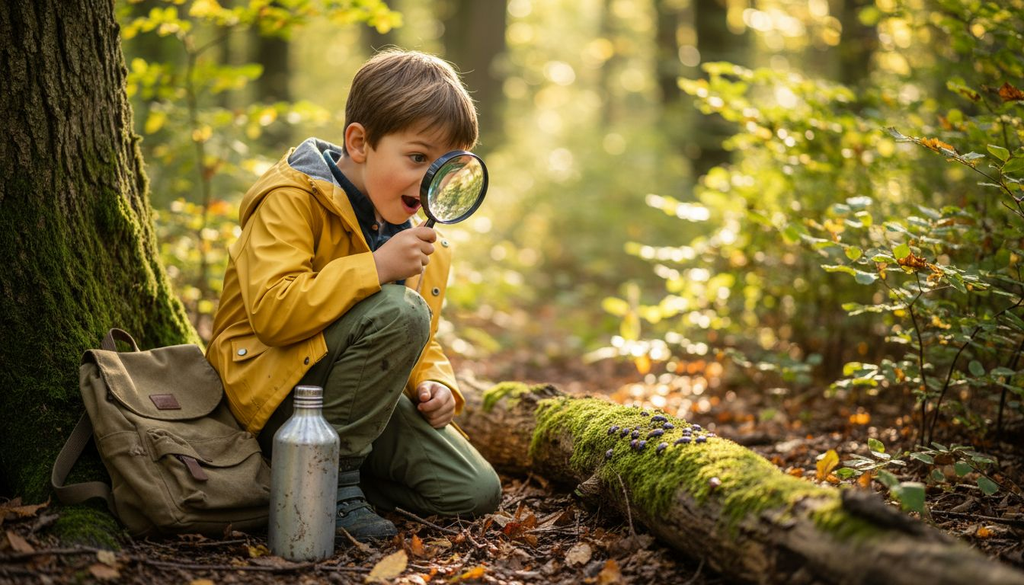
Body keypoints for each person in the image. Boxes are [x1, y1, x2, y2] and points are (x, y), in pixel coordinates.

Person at [206, 49, 502, 542]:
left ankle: (319, 475)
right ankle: (331, 488)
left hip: (355, 401)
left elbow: (419, 337)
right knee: (400, 310)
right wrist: (375, 267)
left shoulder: (419, 236)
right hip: (268, 390)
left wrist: (437, 385)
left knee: (472, 491)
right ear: (360, 142)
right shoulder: (293, 198)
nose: (427, 179)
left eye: (445, 166)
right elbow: (274, 314)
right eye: (416, 157)